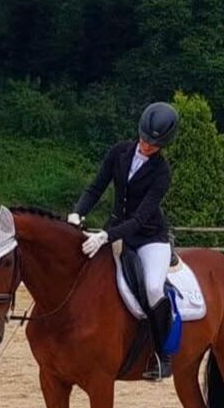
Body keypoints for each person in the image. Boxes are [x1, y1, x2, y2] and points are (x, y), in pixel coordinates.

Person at [67, 102, 179, 380]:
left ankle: (162, 356)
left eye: (154, 144)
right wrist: (77, 212)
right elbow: (96, 187)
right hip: (116, 229)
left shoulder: (162, 172)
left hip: (149, 237)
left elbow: (140, 218)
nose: (147, 146)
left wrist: (106, 236)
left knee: (153, 288)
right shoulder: (119, 152)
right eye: (144, 139)